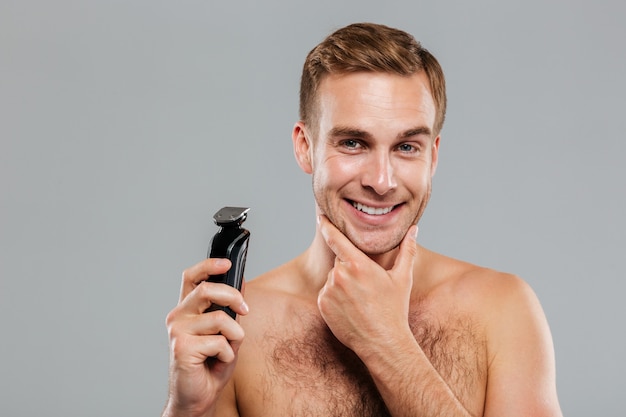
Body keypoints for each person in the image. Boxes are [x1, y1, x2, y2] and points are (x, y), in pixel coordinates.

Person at [162, 22, 563, 417]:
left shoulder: (502, 310)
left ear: (433, 156)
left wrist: (388, 344)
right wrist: (188, 409)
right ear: (305, 148)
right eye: (353, 143)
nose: (381, 181)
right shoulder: (238, 326)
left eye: (407, 146)